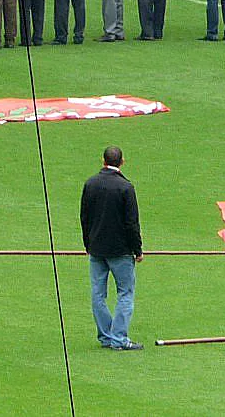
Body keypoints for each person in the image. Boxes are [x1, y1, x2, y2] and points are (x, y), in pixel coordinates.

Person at [80, 145, 143, 351]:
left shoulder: (91, 184)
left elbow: (84, 217)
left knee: (98, 294)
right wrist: (138, 249)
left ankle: (107, 336)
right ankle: (119, 339)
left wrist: (88, 244)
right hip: (120, 251)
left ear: (103, 160)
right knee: (125, 292)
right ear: (122, 161)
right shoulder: (126, 188)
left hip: (97, 249)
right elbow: (132, 223)